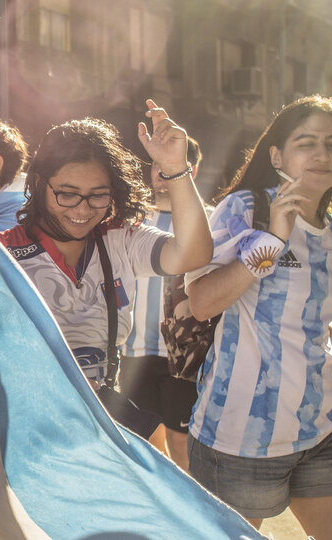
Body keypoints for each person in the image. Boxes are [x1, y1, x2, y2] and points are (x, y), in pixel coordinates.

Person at [185, 95, 332, 536]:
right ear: (277, 155)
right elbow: (202, 302)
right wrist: (271, 240)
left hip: (318, 429)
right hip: (239, 439)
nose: (322, 154)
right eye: (307, 142)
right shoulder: (246, 209)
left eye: (331, 143)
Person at [0, 101, 211, 394]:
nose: (82, 210)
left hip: (101, 425)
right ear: (37, 183)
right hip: (29, 426)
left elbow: (194, 254)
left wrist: (176, 168)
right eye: (68, 194)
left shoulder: (120, 238)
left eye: (98, 195)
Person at [119, 136, 204, 469]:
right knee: (144, 442)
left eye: (169, 165)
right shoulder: (130, 219)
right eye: (155, 164)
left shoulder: (206, 220)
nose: (159, 172)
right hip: (134, 351)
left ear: (190, 170)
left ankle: (193, 517)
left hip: (183, 356)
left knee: (181, 445)